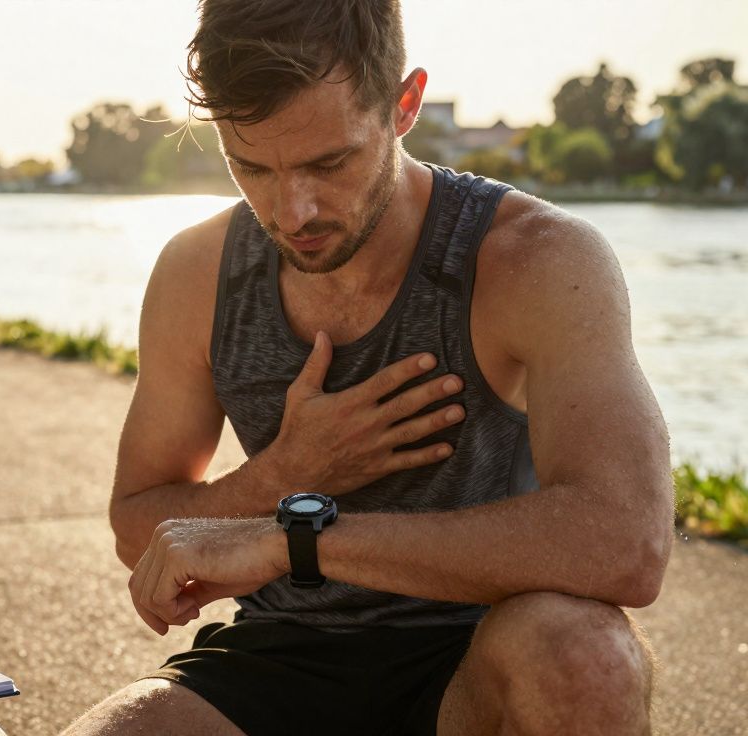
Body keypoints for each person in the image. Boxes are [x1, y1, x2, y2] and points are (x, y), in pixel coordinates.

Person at [65, 2, 673, 735]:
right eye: (250, 166)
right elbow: (137, 526)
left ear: (404, 104)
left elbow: (626, 540)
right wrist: (281, 475)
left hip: (482, 654)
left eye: (330, 162)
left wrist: (295, 536)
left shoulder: (536, 259)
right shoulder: (198, 273)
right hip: (279, 656)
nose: (293, 210)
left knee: (588, 656)